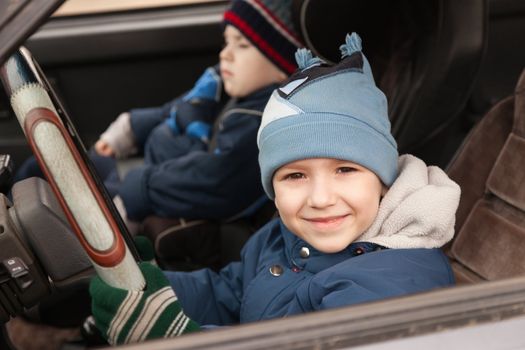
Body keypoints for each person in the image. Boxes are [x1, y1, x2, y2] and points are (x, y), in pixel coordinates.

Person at [89, 33, 461, 345]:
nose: (320, 198)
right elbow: (233, 294)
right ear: (272, 185)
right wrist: (151, 287)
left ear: (383, 179)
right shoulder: (288, 235)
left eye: (345, 170)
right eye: (295, 176)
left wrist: (174, 335)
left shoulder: (395, 282)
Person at [14, 0, 304, 226]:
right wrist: (131, 128)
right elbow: (179, 108)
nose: (225, 54)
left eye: (242, 45)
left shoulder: (259, 126)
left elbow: (214, 181)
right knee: (48, 163)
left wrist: (139, 190)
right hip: (152, 168)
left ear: (281, 65)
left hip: (160, 193)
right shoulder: (223, 84)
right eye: (227, 41)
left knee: (69, 208)